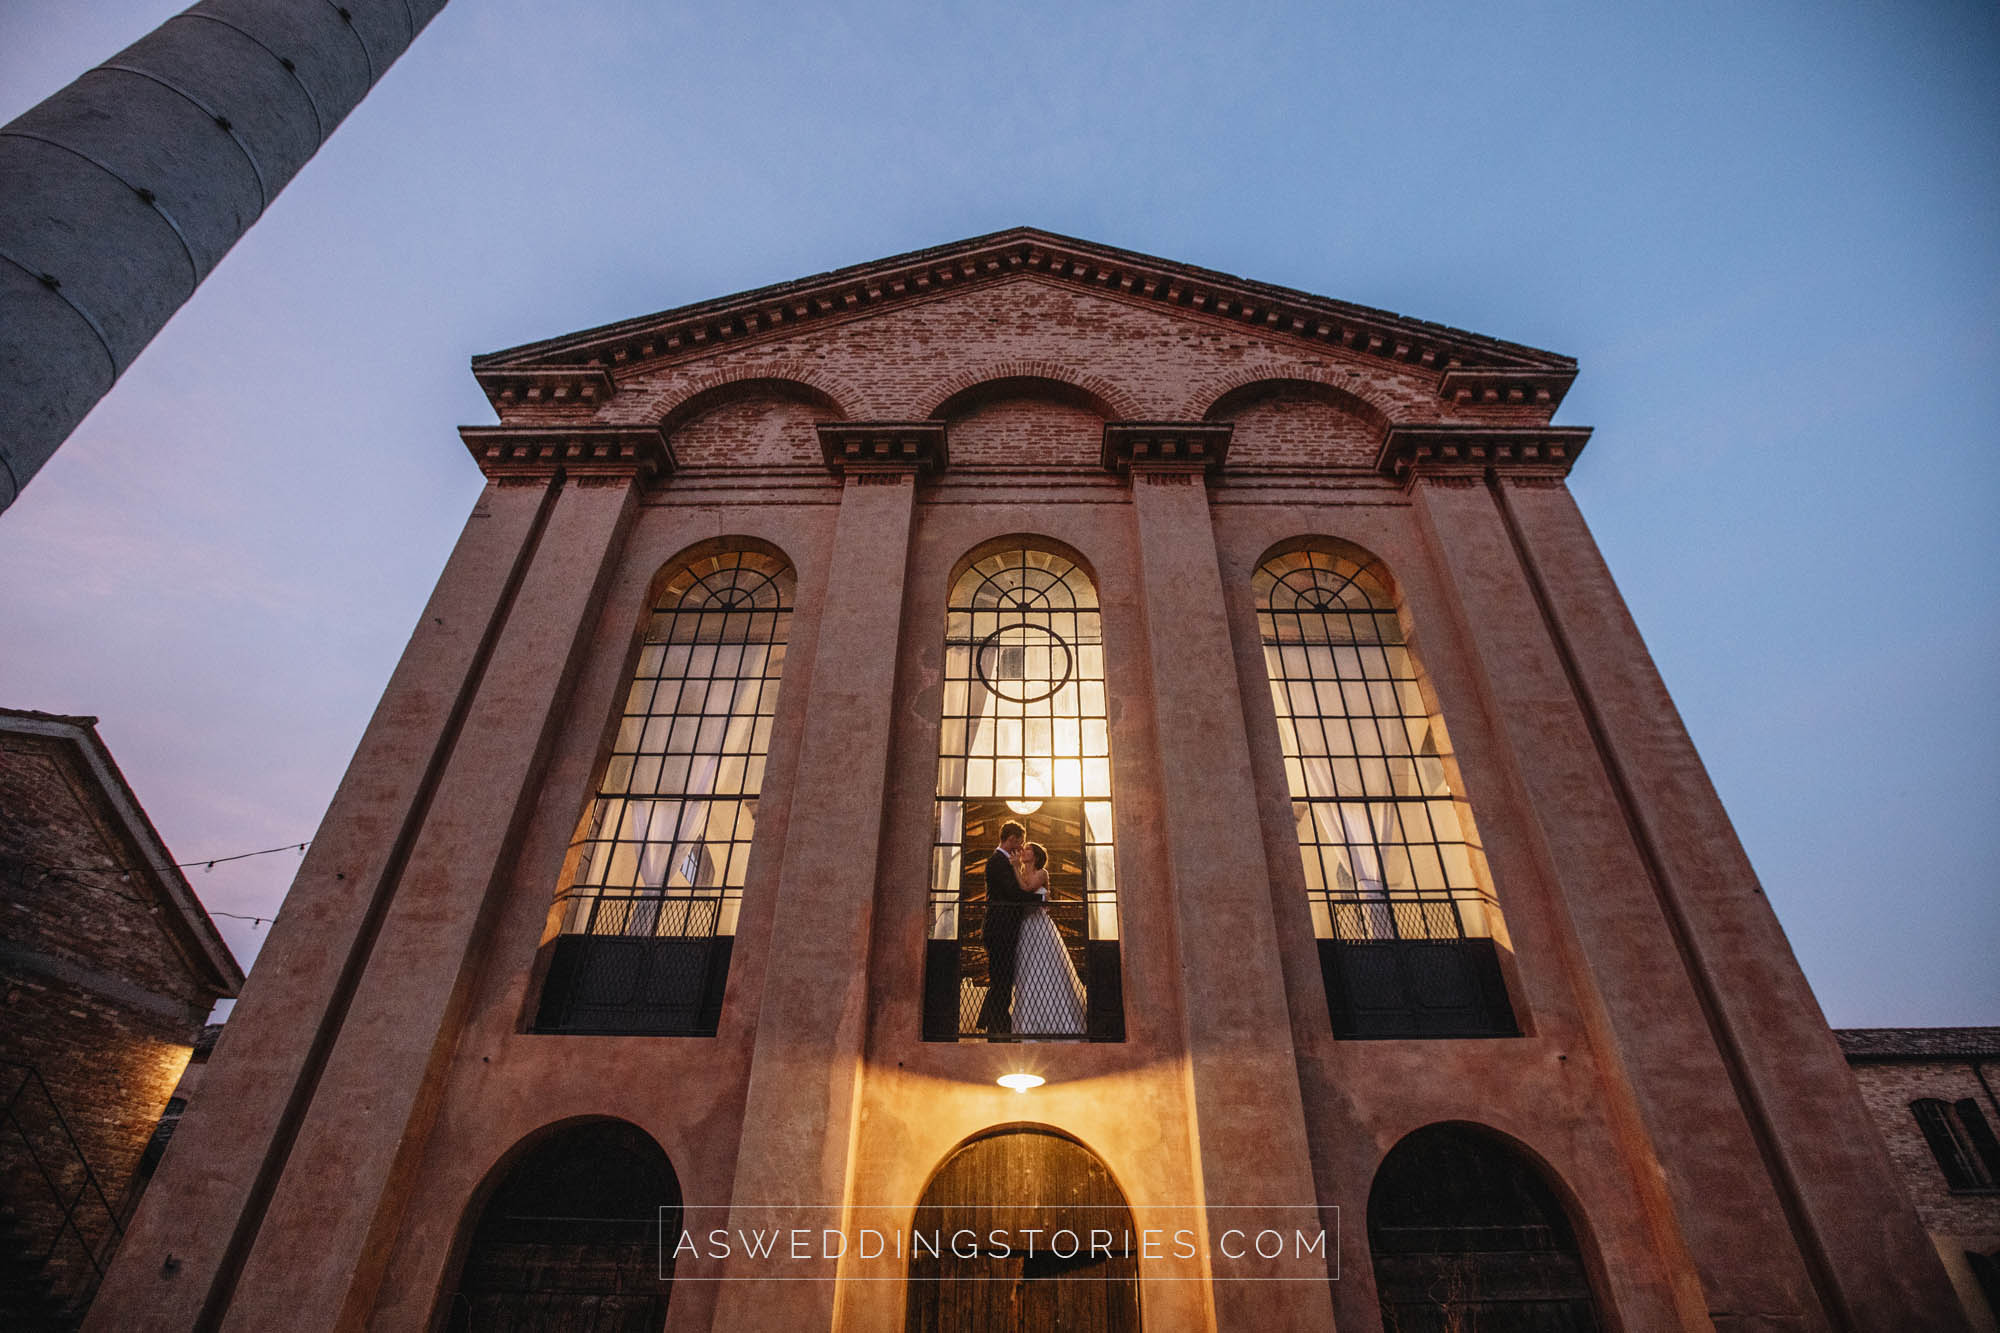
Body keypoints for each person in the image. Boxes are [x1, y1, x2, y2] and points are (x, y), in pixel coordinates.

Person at [1011, 842, 1086, 1035]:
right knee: (1027, 973)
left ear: (1035, 856)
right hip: (1025, 927)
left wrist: (1015, 868)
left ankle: (1057, 1023)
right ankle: (1029, 1024)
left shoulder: (1041, 873)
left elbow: (1027, 889)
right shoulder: (1020, 872)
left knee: (1044, 970)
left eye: (1028, 849)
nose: (1023, 851)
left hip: (1040, 927)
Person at [975, 821, 1035, 1035]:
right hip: (999, 930)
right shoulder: (997, 862)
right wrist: (1038, 899)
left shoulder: (1004, 861)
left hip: (1003, 929)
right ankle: (998, 1028)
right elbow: (1012, 893)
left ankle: (994, 1023)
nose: (1021, 847)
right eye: (1020, 842)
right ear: (1011, 839)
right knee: (1001, 980)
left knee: (1002, 979)